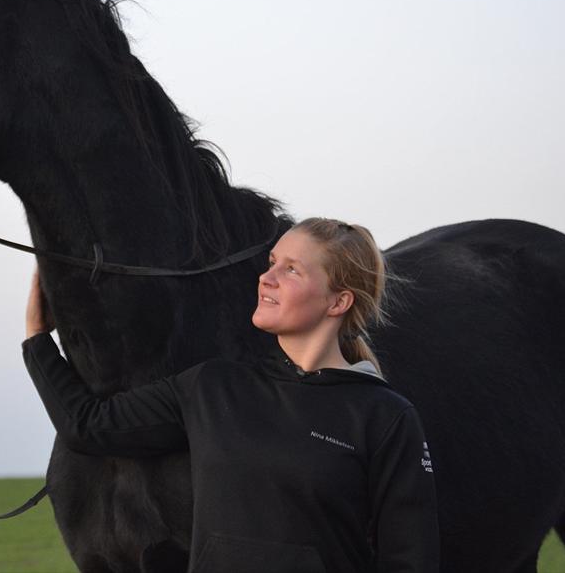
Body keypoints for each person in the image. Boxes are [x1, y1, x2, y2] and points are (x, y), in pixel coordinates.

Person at [22, 217, 439, 572]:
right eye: (272, 262)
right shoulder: (212, 387)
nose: (266, 277)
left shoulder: (385, 416)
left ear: (338, 301)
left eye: (292, 269)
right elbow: (89, 426)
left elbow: (410, 560)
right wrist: (38, 340)